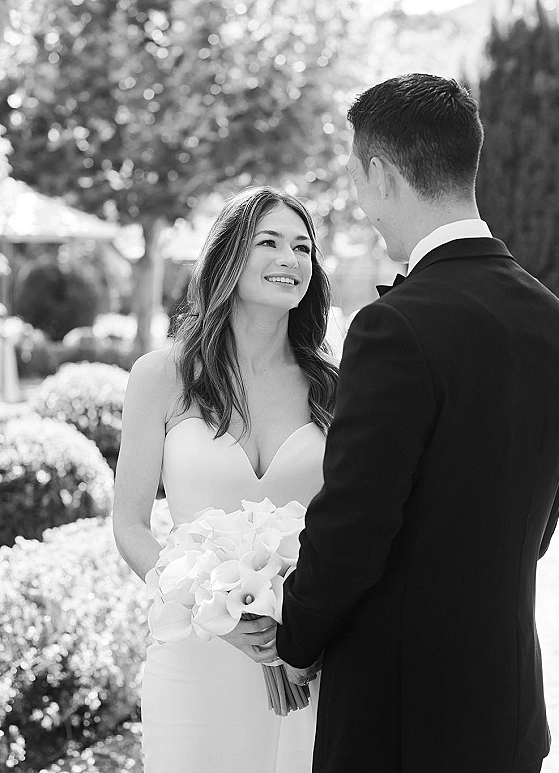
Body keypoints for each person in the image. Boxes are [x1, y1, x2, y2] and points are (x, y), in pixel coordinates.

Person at [276, 73, 559, 773]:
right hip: (508, 711)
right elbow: (537, 530)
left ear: (380, 173)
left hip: (402, 720)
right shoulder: (556, 321)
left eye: (356, 177)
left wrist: (296, 637)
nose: (361, 204)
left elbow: (354, 522)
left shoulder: (394, 327)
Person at [113, 186, 338, 772]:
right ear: (228, 256)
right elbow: (131, 523)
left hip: (305, 660)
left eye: (303, 248)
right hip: (195, 654)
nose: (291, 260)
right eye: (269, 242)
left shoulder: (334, 387)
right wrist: (215, 609)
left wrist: (303, 619)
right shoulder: (161, 375)